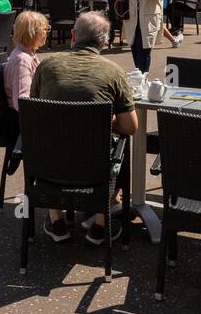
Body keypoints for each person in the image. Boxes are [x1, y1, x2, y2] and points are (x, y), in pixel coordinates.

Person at [29, 12, 138, 245]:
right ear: (104, 41)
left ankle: (56, 219)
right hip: (93, 165)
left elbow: (35, 110)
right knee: (120, 147)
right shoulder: (114, 72)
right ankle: (100, 225)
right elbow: (130, 127)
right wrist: (104, 122)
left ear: (73, 35)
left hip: (49, 162)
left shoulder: (47, 66)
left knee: (57, 137)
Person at [4, 10, 49, 110]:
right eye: (45, 29)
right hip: (25, 120)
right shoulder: (22, 61)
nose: (46, 33)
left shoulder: (29, 54)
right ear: (32, 33)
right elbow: (21, 103)